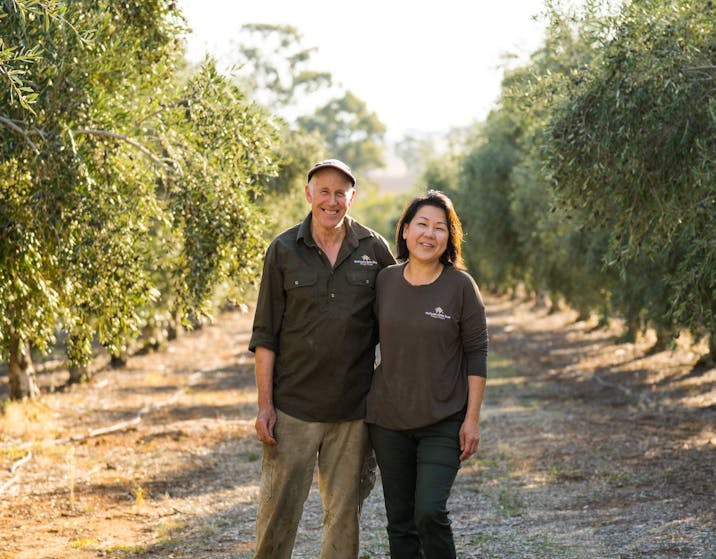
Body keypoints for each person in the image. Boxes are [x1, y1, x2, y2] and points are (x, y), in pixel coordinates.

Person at [248, 158, 395, 559]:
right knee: (278, 516)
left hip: (352, 412)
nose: (332, 200)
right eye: (324, 191)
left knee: (343, 518)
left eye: (340, 192)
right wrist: (265, 406)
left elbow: (400, 319)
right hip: (293, 409)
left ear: (352, 197)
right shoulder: (282, 250)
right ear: (309, 194)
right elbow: (265, 336)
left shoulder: (374, 249)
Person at [366, 190, 488, 559]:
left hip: (444, 420)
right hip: (388, 421)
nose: (429, 234)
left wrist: (471, 420)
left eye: (440, 228)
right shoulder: (384, 281)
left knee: (430, 512)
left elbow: (476, 353)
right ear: (405, 231)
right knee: (399, 522)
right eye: (422, 224)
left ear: (449, 239)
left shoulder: (461, 287)